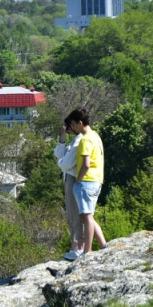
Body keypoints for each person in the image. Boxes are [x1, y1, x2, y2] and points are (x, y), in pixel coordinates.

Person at [55, 111, 104, 261]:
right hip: (92, 179)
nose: (70, 128)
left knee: (81, 216)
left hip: (82, 180)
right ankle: (102, 245)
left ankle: (82, 249)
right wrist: (63, 137)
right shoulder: (91, 136)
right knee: (86, 215)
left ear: (79, 123)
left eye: (71, 125)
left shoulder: (82, 140)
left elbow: (67, 163)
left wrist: (78, 181)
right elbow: (59, 154)